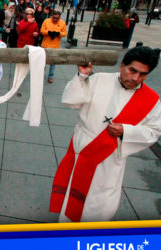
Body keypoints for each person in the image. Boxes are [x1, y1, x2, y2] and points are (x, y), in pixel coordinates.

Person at [50, 46, 161, 223]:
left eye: (142, 74)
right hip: (84, 147)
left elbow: (153, 131)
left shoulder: (152, 100)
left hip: (110, 156)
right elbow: (71, 101)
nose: (135, 78)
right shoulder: (100, 80)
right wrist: (83, 76)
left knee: (100, 202)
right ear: (122, 65)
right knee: (74, 197)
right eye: (132, 70)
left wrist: (127, 130)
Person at [40, 10, 66, 83]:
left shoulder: (63, 23)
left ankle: (50, 76)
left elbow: (64, 33)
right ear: (52, 16)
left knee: (53, 63)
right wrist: (48, 32)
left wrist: (58, 34)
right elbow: (41, 31)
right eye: (54, 18)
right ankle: (41, 75)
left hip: (55, 46)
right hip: (45, 44)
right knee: (43, 62)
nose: (55, 19)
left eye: (57, 18)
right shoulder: (46, 21)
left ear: (59, 17)